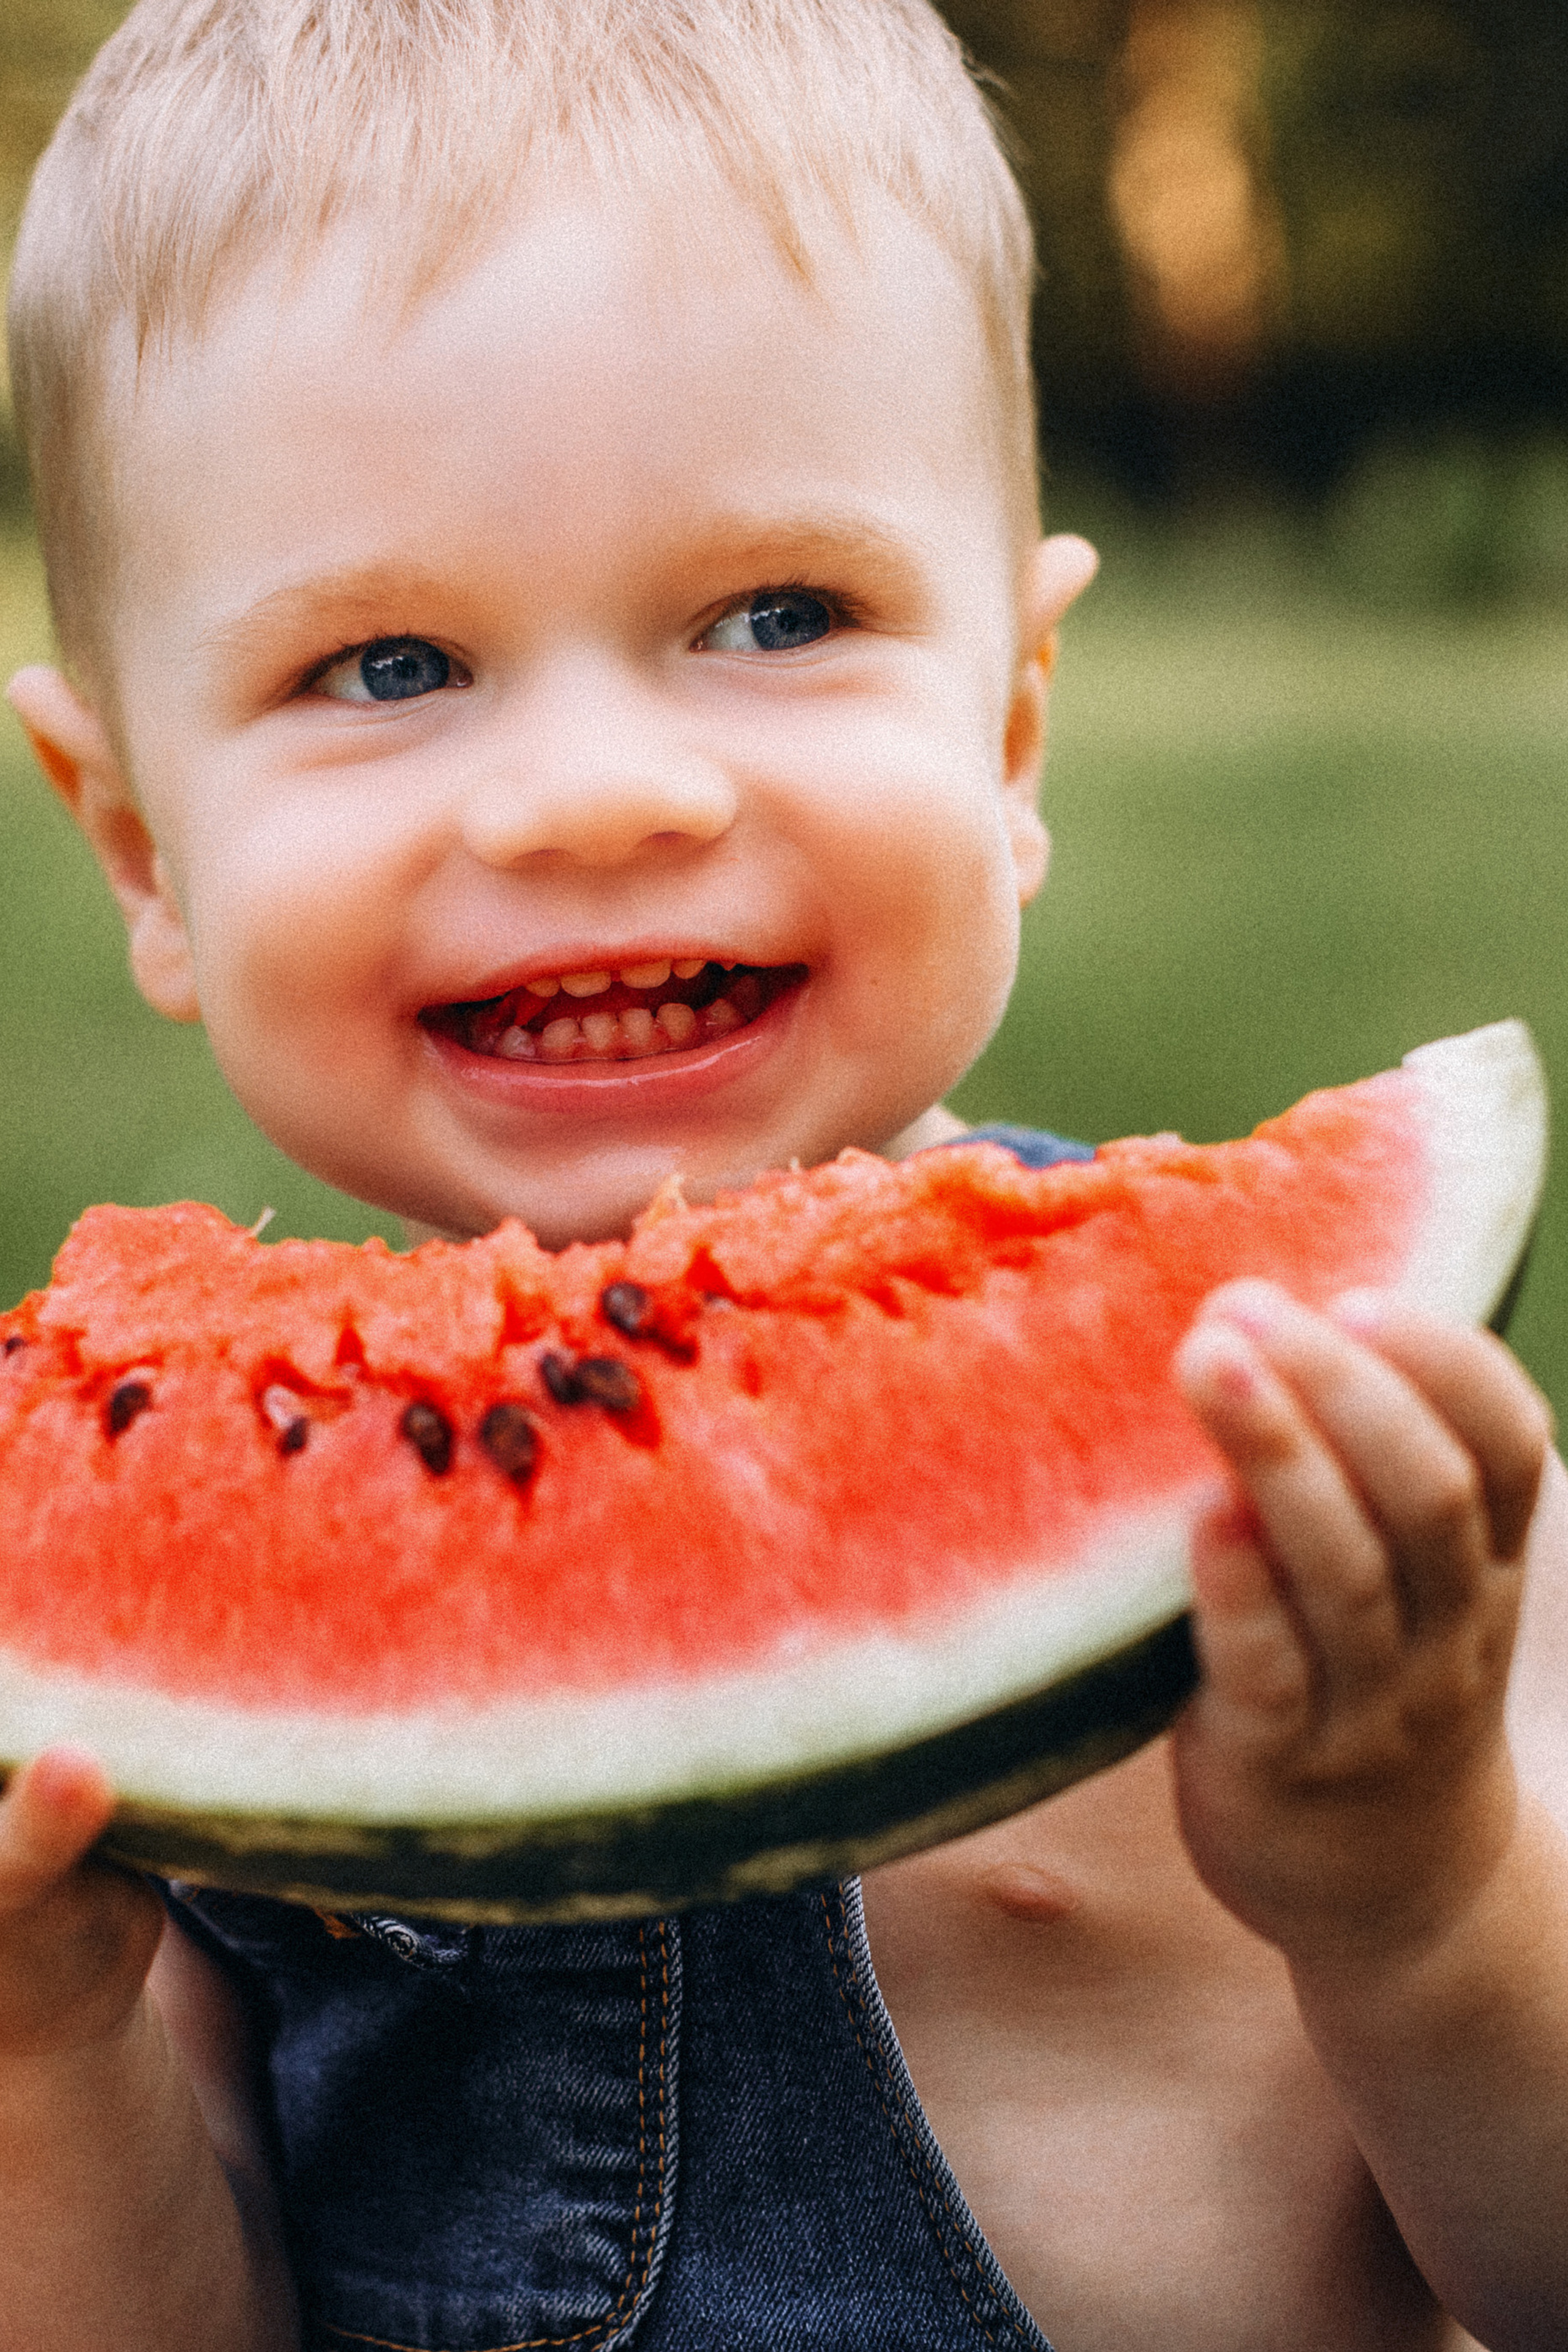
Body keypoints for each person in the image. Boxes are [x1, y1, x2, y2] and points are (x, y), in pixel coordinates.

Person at [3, 1, 1567, 2345]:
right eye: (391, 660)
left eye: (778, 618)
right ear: (137, 843)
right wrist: (39, 2053)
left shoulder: (1311, 1463)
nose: (594, 795)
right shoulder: (118, 1681)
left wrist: (1425, 1898)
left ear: (1012, 724)